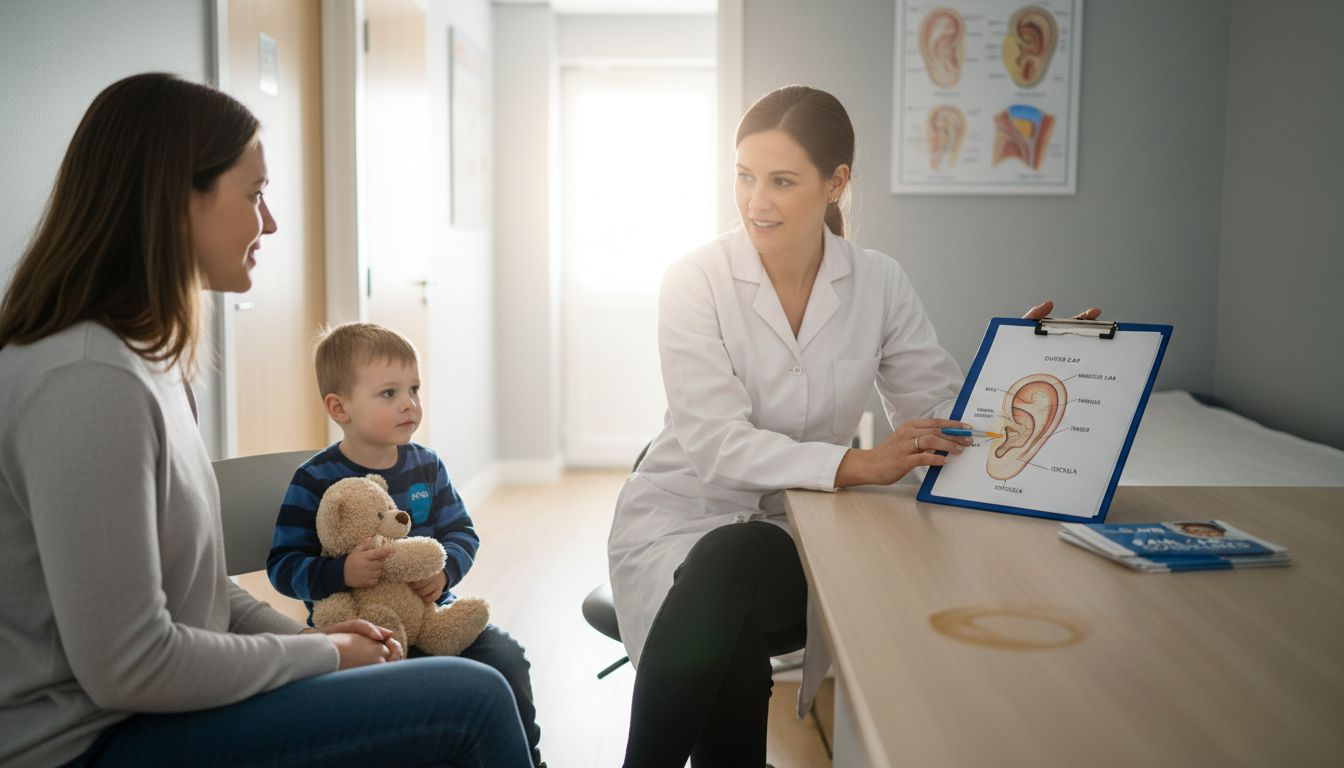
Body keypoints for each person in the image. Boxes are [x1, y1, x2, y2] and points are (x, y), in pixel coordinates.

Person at [0, 72, 531, 767]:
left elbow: (198, 590)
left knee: (468, 678)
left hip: (146, 714)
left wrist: (328, 647)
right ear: (174, 201)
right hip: (89, 744)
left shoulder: (146, 366)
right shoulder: (86, 382)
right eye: (254, 194)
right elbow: (129, 665)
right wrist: (319, 654)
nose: (271, 221)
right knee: (473, 698)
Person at [607, 84, 1101, 767]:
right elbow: (718, 445)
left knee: (735, 565)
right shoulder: (695, 280)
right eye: (745, 177)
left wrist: (1030, 364)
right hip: (681, 517)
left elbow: (940, 420)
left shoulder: (878, 283)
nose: (756, 201)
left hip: (800, 534)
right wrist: (858, 465)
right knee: (724, 574)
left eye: (782, 181)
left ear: (836, 183)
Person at [267, 321, 544, 767]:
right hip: (361, 627)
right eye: (389, 393)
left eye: (414, 389)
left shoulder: (427, 466)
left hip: (433, 616)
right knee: (399, 706)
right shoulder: (315, 480)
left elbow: (461, 533)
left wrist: (444, 572)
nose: (409, 404)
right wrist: (341, 573)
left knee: (506, 658)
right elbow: (283, 566)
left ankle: (524, 759)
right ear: (340, 408)